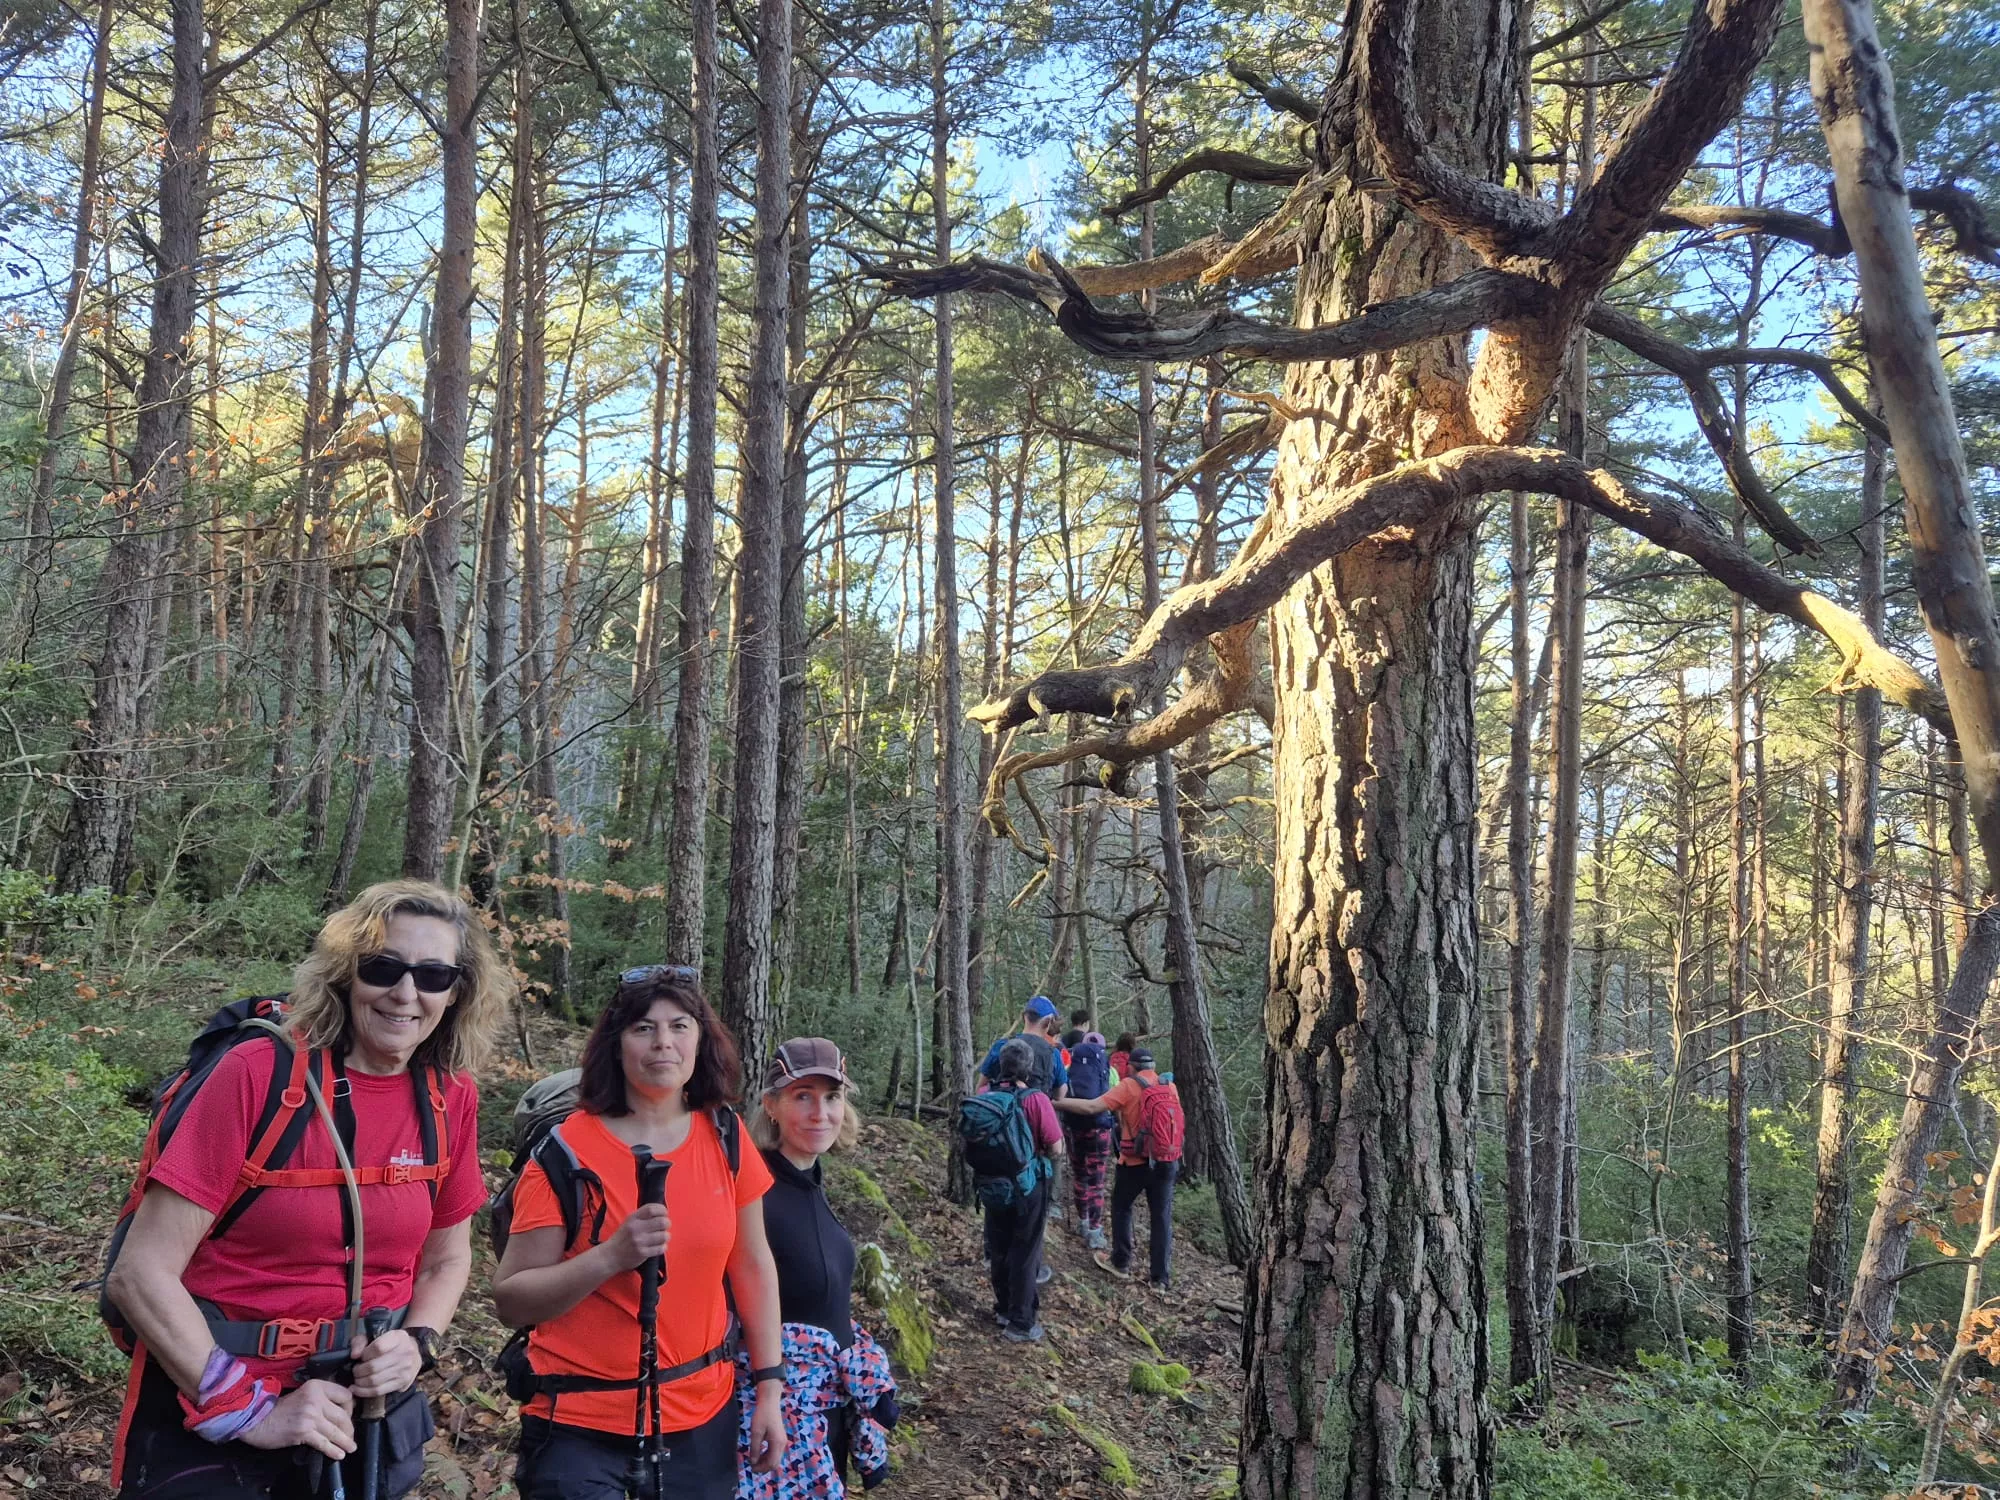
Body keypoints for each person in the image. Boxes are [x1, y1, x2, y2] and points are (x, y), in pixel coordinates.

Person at [107, 879, 511, 1499]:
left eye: (433, 975)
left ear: (457, 991)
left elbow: (447, 1260)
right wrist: (251, 1411)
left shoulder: (448, 1096)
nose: (406, 993)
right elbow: (140, 1273)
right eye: (383, 968)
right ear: (346, 973)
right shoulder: (258, 1074)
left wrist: (416, 1342)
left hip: (360, 1412)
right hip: (213, 1391)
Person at [492, 969, 786, 1499]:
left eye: (679, 1026)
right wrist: (610, 1256)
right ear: (617, 1043)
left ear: (701, 1040)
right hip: (577, 1423)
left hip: (700, 1418)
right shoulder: (566, 1153)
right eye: (643, 1028)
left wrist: (770, 1388)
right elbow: (512, 1301)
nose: (663, 1043)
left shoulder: (725, 1136)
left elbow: (752, 1264)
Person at [740, 1038, 898, 1496]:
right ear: (771, 1105)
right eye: (802, 1096)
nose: (820, 1113)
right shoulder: (755, 1194)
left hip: (822, 1416)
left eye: (831, 1097)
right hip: (778, 1424)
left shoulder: (808, 1180)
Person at [1054, 1047, 1182, 1291]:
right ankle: (1160, 1279)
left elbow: (1092, 1107)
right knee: (1161, 1217)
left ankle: (1121, 1262)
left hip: (1135, 1161)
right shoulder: (1169, 1086)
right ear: (1153, 1067)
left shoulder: (1128, 1086)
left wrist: (1055, 1102)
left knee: (1122, 1207)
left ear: (1130, 1067)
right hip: (1166, 1161)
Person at [975, 1040, 1064, 1342]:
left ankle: (1003, 1309)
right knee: (1025, 1251)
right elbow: (1055, 1147)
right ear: (1028, 1068)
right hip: (1028, 1186)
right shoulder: (1036, 1100)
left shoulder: (984, 1096)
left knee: (999, 1246)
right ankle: (1021, 1322)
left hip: (991, 1185)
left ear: (1000, 1066)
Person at [1058, 1024, 1115, 1252]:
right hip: (1099, 1128)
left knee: (1080, 1174)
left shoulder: (1070, 1062)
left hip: (1073, 1125)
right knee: (1096, 1179)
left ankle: (1082, 1221)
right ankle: (1095, 1230)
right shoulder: (1108, 1068)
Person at [976, 995, 1068, 1099]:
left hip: (1002, 1107)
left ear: (1024, 1017)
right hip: (1037, 1107)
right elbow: (1060, 1095)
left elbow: (980, 1087)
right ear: (1048, 1022)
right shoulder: (1053, 1054)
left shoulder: (1001, 1046)